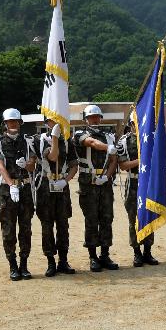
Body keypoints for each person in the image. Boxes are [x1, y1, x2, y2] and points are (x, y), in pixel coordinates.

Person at [0, 108, 37, 281]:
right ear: (5, 123)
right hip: (7, 190)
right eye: (10, 122)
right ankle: (13, 265)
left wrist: (27, 164)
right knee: (8, 230)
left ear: (20, 123)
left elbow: (33, 164)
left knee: (26, 229)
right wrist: (11, 184)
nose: (13, 124)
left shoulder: (28, 141)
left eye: (16, 121)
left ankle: (24, 265)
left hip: (25, 189)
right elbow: (0, 166)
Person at [73, 104, 120, 272]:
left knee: (107, 219)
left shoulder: (109, 136)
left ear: (100, 118)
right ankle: (93, 257)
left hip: (105, 183)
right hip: (88, 183)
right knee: (91, 220)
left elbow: (114, 160)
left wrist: (107, 177)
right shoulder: (79, 134)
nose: (94, 119)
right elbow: (91, 143)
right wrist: (108, 147)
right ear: (85, 119)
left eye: (96, 117)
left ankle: (105, 254)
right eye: (91, 117)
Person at [33, 116, 78, 277]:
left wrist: (65, 181)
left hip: (61, 186)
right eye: (52, 120)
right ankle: (51, 262)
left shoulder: (67, 140)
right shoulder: (40, 139)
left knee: (63, 224)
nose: (56, 122)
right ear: (46, 123)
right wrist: (54, 136)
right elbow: (52, 156)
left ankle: (63, 261)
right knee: (47, 225)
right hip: (46, 186)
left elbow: (74, 165)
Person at [116, 118, 159, 267]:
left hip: (148, 183)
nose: (138, 125)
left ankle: (148, 251)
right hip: (133, 182)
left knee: (149, 216)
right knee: (133, 219)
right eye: (135, 122)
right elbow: (122, 166)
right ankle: (137, 252)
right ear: (131, 124)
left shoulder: (152, 138)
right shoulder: (124, 141)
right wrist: (141, 161)